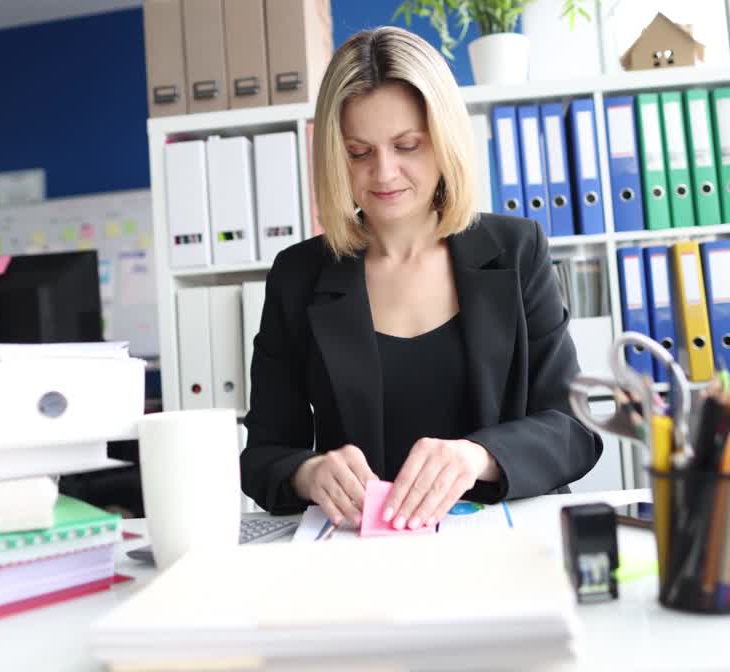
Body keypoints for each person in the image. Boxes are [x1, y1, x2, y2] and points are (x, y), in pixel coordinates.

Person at [240, 26, 602, 531]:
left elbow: (573, 429)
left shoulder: (517, 251)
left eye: (407, 145)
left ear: (444, 139)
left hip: (506, 544)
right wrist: (308, 472)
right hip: (365, 553)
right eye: (358, 152)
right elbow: (262, 457)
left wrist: (479, 456)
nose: (384, 173)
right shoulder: (298, 275)